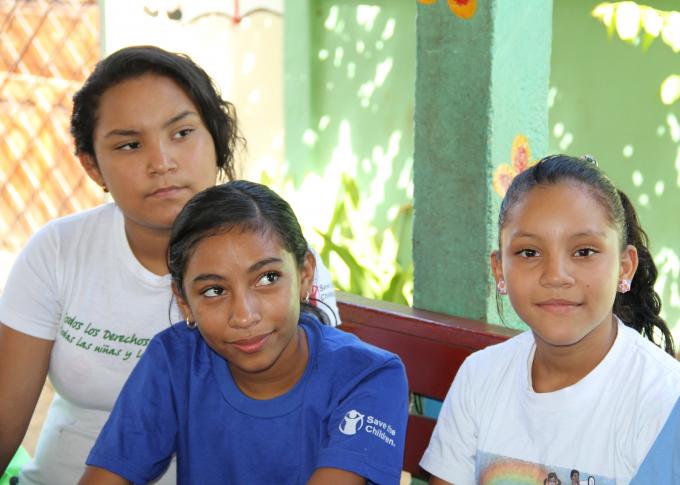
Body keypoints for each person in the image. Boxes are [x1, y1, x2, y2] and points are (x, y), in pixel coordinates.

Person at [0, 46, 339, 485]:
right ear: (92, 166)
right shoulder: (58, 252)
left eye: (181, 133)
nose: (161, 162)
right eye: (129, 144)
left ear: (217, 139)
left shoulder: (279, 263)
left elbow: (307, 421)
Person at [78, 180, 409, 485]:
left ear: (304, 274)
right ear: (185, 302)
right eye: (213, 290)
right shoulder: (176, 361)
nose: (244, 316)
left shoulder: (368, 376)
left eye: (267, 278)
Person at [420, 155, 680, 484]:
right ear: (500, 269)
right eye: (529, 252)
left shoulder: (665, 401)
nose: (556, 276)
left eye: (584, 251)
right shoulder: (480, 377)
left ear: (625, 267)